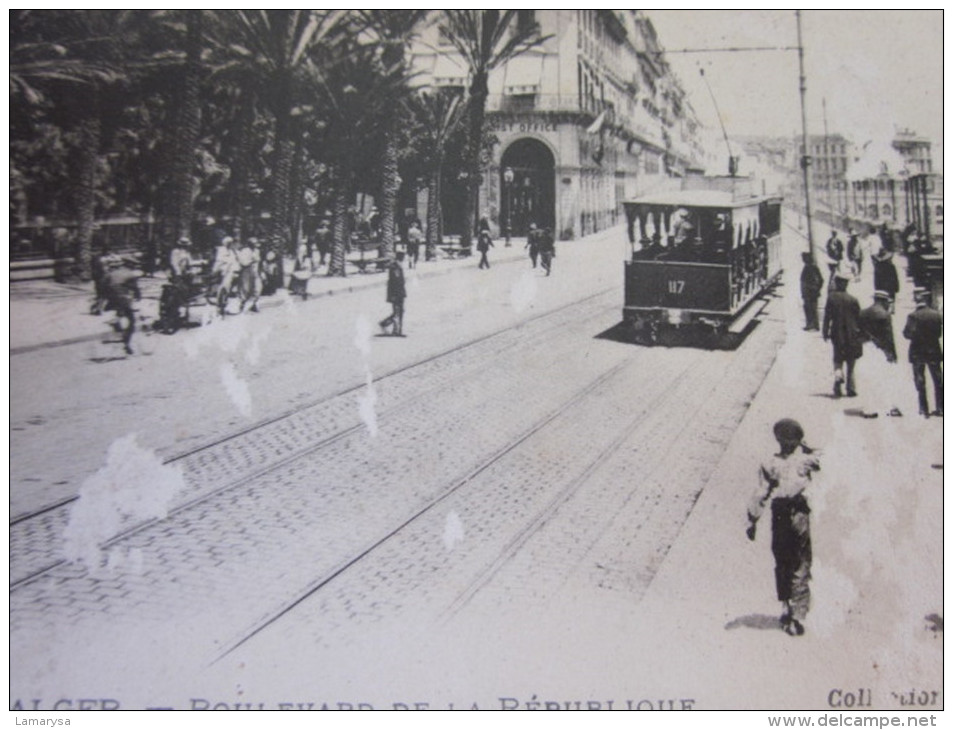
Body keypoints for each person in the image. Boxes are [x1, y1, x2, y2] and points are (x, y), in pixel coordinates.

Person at [745, 418, 821, 637]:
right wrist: (805, 445)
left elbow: (761, 493)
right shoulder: (806, 460)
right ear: (797, 440)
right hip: (799, 513)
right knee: (801, 562)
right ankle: (797, 615)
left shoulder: (770, 463)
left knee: (782, 561)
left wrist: (752, 520)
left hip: (779, 514)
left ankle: (786, 606)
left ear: (777, 440)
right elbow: (822, 455)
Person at [902, 288, 943, 417]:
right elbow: (939, 333)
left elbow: (907, 334)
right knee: (938, 379)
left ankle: (923, 408)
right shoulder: (936, 315)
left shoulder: (913, 316)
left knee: (920, 380)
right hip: (933, 350)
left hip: (917, 351)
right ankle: (941, 407)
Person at [823, 273, 864, 398]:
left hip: (837, 334)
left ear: (836, 282)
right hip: (851, 335)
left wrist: (825, 331)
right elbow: (859, 319)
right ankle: (851, 388)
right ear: (846, 284)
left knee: (838, 359)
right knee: (851, 362)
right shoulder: (853, 300)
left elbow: (827, 317)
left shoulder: (831, 298)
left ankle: (837, 381)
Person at [379, 251, 407, 336]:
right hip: (397, 294)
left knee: (399, 311)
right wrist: (395, 295)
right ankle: (396, 331)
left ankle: (385, 324)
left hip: (399, 293)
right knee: (398, 312)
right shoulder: (395, 267)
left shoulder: (397, 266)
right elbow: (396, 282)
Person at [236, 237, 262, 312]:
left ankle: (253, 304)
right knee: (246, 289)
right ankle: (242, 304)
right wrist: (252, 261)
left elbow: (258, 261)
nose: (256, 245)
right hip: (246, 271)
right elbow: (243, 263)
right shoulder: (245, 251)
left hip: (255, 271)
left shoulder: (257, 251)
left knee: (258, 288)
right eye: (255, 243)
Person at [799, 252, 824, 331]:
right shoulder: (813, 267)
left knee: (809, 309)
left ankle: (811, 325)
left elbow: (819, 280)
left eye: (804, 258)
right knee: (812, 309)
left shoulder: (809, 268)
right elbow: (821, 280)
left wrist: (815, 288)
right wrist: (818, 289)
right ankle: (814, 325)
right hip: (812, 292)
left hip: (809, 293)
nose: (803, 259)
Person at [871, 246, 900, 313]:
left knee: (883, 299)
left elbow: (876, 279)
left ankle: (885, 309)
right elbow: (895, 277)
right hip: (890, 286)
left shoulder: (877, 266)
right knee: (891, 299)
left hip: (881, 287)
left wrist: (876, 288)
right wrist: (897, 287)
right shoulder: (891, 266)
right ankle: (891, 309)